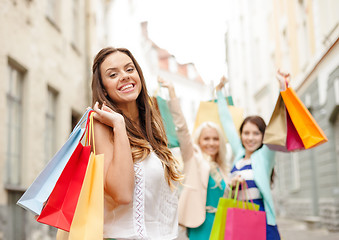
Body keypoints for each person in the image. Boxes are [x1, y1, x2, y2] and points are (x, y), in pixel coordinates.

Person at [91, 47, 182, 239]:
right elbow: (122, 194)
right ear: (103, 89)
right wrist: (119, 125)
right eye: (113, 74)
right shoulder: (101, 126)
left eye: (129, 69)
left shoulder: (152, 125)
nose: (124, 76)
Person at [215, 71, 289, 240]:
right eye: (246, 133)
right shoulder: (239, 155)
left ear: (264, 136)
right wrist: (219, 92)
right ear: (240, 135)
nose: (250, 138)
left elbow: (278, 124)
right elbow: (227, 123)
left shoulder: (265, 156)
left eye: (256, 133)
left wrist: (282, 89)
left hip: (261, 219)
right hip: (239, 217)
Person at [158, 77, 229, 240]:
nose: (211, 143)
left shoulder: (222, 167)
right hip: (201, 225)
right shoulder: (193, 158)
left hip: (224, 224)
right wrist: (172, 95)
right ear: (199, 140)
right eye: (206, 138)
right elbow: (182, 129)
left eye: (215, 138)